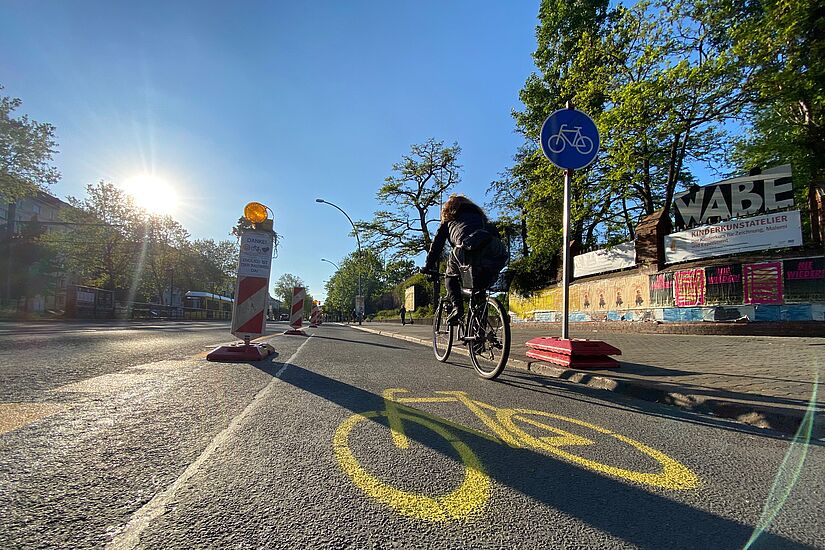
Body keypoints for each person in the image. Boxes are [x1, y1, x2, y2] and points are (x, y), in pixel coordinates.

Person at [422, 194, 507, 325]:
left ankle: (457, 308)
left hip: (467, 246)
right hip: (496, 248)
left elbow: (436, 247)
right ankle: (480, 334)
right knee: (479, 290)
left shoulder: (448, 221)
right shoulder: (480, 217)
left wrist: (428, 267)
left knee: (449, 275)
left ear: (448, 209)